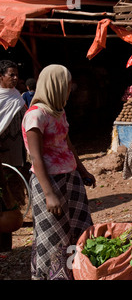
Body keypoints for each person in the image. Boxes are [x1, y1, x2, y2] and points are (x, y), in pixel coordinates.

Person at [22, 64, 95, 280]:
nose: (70, 88)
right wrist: (49, 194)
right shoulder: (36, 115)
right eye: (66, 84)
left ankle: (73, 272)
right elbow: (35, 157)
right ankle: (52, 276)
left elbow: (67, 145)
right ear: (54, 85)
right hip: (49, 182)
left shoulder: (58, 112)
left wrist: (83, 171)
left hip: (69, 177)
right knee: (53, 236)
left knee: (78, 229)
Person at [0, 60, 27, 168]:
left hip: (19, 147)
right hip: (2, 148)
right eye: (12, 75)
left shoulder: (17, 96)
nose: (15, 78)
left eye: (17, 75)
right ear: (1, 76)